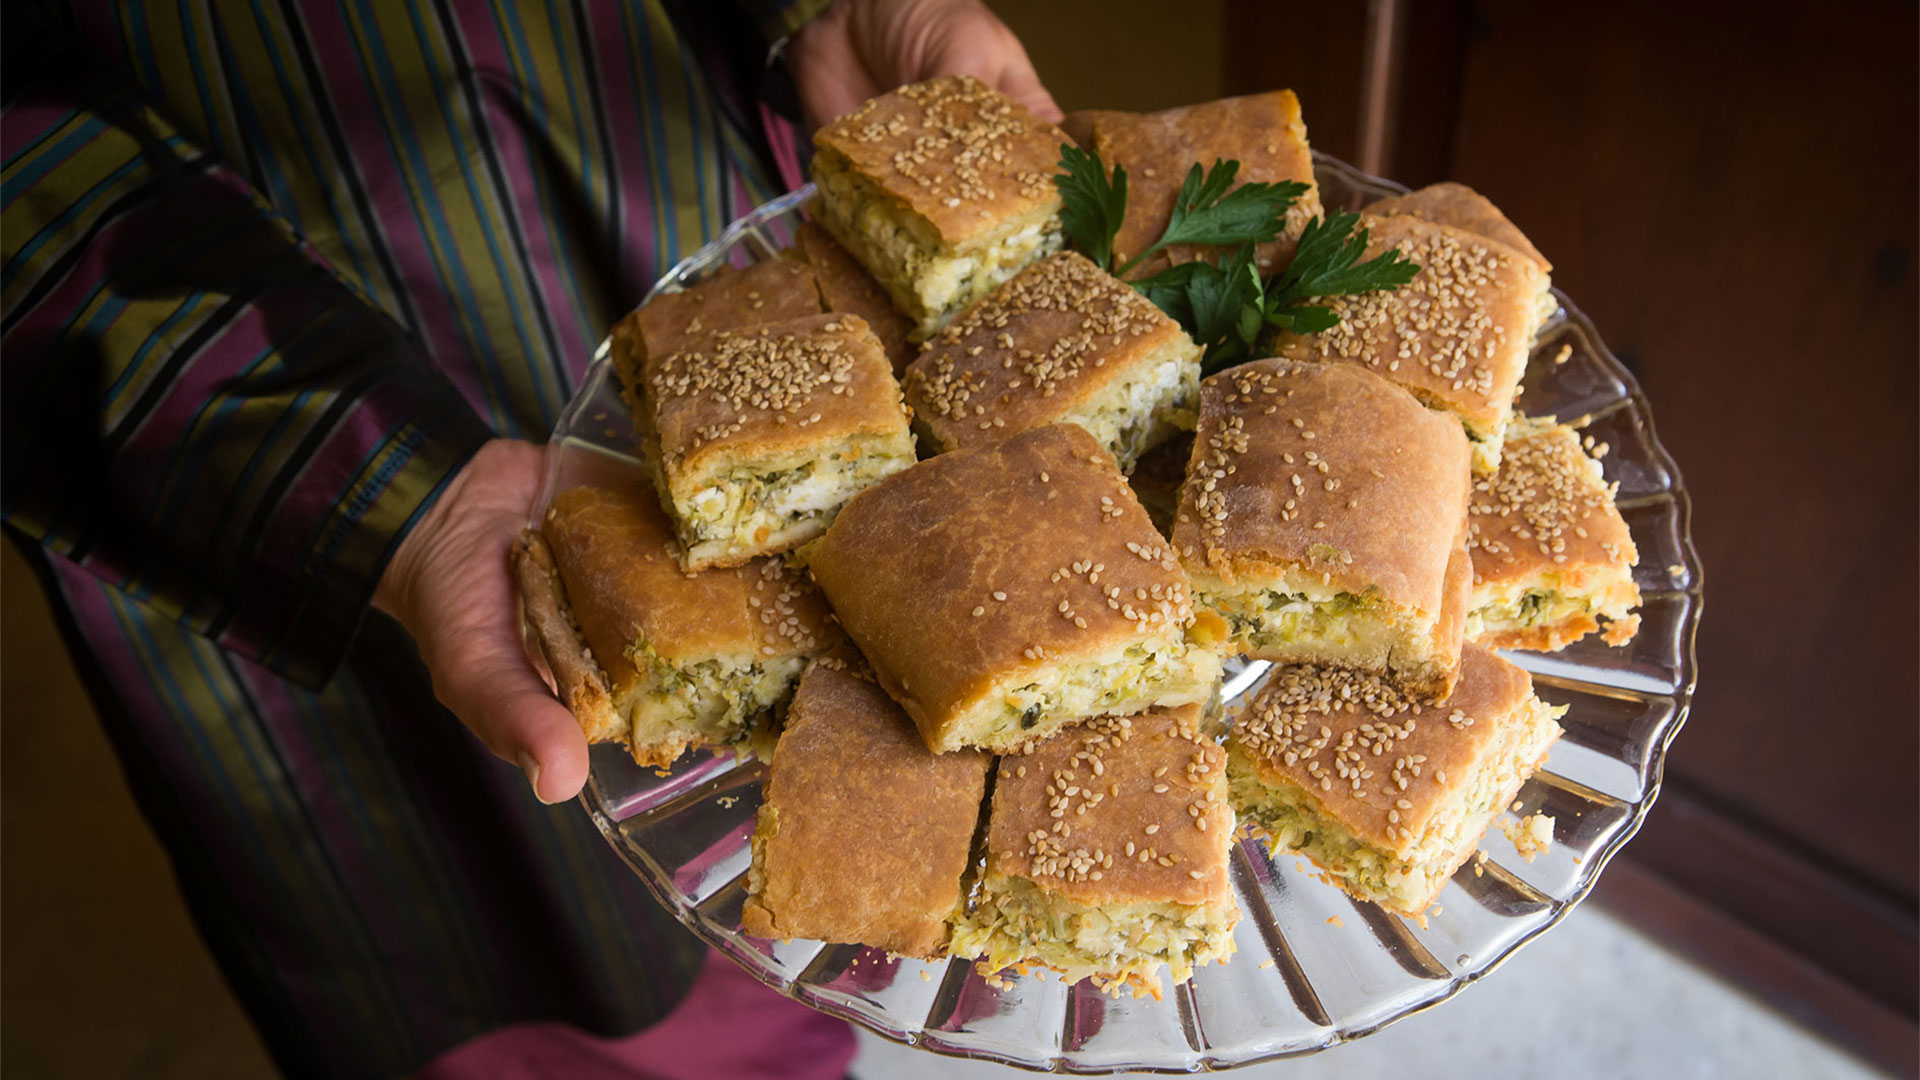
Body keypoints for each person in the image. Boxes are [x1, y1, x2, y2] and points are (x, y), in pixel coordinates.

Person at [0, 1, 1059, 1076]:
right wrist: (388, 483)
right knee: (528, 929)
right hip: (237, 381)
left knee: (833, 831)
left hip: (680, 170)